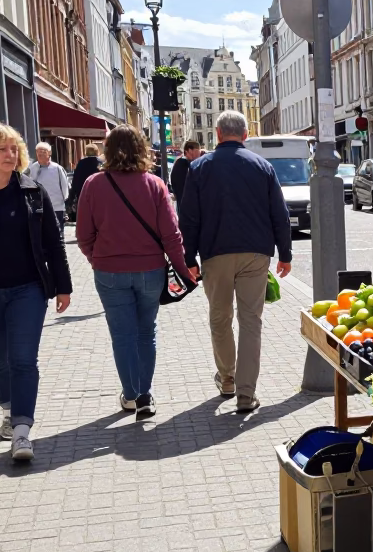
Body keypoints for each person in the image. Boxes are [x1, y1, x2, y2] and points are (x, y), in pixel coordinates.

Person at [0, 123, 72, 461]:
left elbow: (53, 242)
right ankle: (8, 410)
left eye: (14, 149)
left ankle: (22, 431)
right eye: (2, 149)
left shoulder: (32, 190)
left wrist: (63, 286)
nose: (10, 155)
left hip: (28, 289)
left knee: (22, 359)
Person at [179, 111, 292, 413]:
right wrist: (285, 254)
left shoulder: (199, 167)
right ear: (245, 135)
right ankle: (246, 393)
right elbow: (279, 214)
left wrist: (188, 258)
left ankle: (227, 378)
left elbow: (188, 218)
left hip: (215, 253)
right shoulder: (262, 166)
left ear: (217, 133)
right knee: (251, 322)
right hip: (256, 254)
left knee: (220, 318)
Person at [76, 125, 192, 419]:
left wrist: (96, 258)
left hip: (109, 271)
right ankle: (144, 395)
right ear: (142, 149)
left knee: (122, 334)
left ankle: (130, 394)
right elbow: (171, 235)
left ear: (107, 151)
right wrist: (182, 269)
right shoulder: (154, 184)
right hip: (150, 269)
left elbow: (83, 234)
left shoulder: (93, 184)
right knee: (145, 332)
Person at [26, 142, 70, 237]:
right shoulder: (33, 168)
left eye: (43, 151)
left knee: (58, 233)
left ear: (49, 153)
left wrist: (63, 202)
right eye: (38, 152)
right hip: (39, 207)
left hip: (56, 206)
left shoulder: (57, 168)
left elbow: (64, 186)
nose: (40, 154)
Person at [68, 142, 102, 216]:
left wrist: (72, 196)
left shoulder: (81, 163)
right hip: (99, 193)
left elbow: (76, 180)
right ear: (97, 151)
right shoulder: (101, 163)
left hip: (83, 192)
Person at [171, 139, 199, 208]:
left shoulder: (182, 163)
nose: (199, 153)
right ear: (189, 150)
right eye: (197, 150)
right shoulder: (182, 164)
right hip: (186, 204)